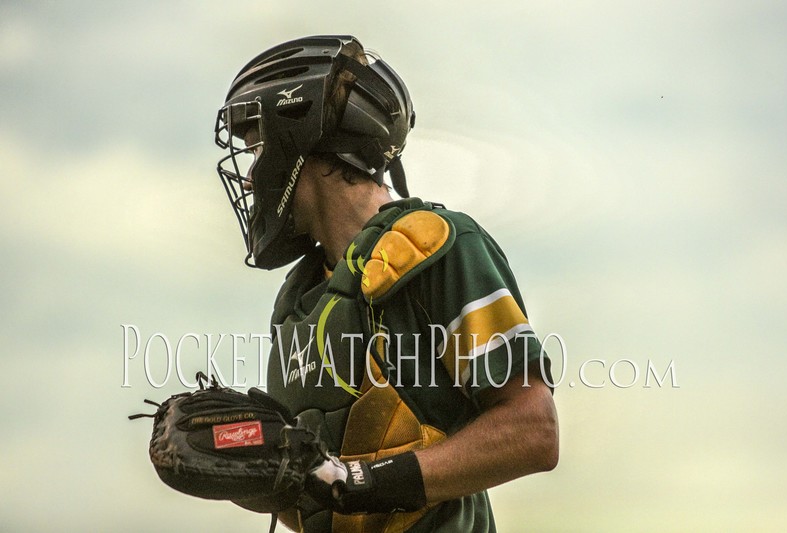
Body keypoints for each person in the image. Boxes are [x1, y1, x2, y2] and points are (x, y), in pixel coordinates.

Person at [214, 35, 559, 533]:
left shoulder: (437, 246)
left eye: (257, 148)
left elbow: (534, 430)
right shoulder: (298, 300)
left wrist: (357, 480)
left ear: (301, 135)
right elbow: (316, 498)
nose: (249, 177)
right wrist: (237, 461)